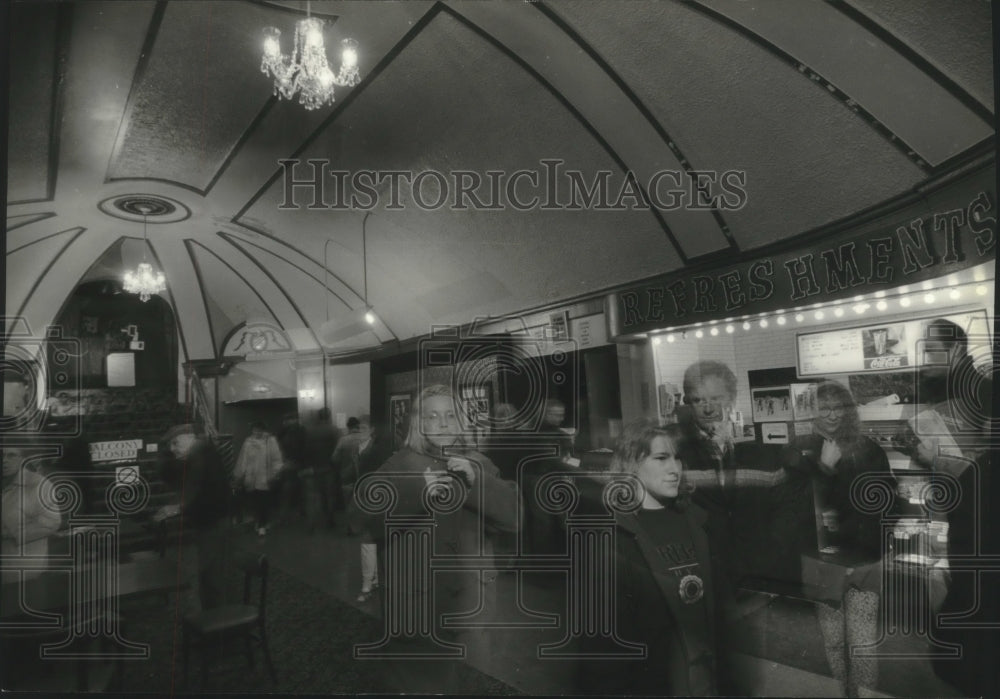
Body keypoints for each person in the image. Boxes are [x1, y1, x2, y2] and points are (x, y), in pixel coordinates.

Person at [349, 384, 521, 693]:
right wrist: (417, 493)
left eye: (450, 415)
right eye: (432, 416)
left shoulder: (478, 463)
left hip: (472, 601)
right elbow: (359, 518)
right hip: (418, 603)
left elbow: (514, 518)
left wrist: (476, 483)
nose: (442, 423)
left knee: (472, 680)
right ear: (419, 423)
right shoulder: (398, 465)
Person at [576, 419, 729, 696]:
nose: (675, 469)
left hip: (705, 681)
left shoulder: (698, 521)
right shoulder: (613, 535)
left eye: (677, 458)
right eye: (661, 458)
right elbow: (602, 648)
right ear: (632, 464)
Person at [782, 381, 894, 697]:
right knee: (831, 641)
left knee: (862, 642)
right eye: (824, 408)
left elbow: (886, 501)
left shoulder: (869, 449)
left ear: (848, 411)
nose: (832, 415)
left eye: (839, 407)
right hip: (822, 562)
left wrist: (877, 549)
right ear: (813, 412)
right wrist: (823, 468)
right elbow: (793, 511)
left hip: (863, 560)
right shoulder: (797, 449)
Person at [154, 424, 232, 615]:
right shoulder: (201, 453)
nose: (172, 449)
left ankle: (218, 622)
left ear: (190, 438)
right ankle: (215, 617)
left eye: (175, 443)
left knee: (212, 576)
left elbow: (199, 492)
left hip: (214, 523)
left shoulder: (201, 455)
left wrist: (178, 508)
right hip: (211, 522)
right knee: (209, 574)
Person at [2, 446, 62, 581]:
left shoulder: (38, 485)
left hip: (24, 574)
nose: (4, 460)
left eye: (11, 455)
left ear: (23, 459)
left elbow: (51, 524)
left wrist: (8, 533)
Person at [232, 422, 284, 536]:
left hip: (265, 477)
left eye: (259, 430)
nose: (256, 433)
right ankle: (260, 521)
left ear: (263, 430)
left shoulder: (270, 441)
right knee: (254, 501)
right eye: (254, 430)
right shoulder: (248, 442)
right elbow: (243, 459)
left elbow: (276, 459)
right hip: (251, 477)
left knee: (264, 501)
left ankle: (262, 524)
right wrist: (240, 474)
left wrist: (275, 473)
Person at [304, 408, 340, 529]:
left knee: (314, 496)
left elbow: (306, 450)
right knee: (329, 495)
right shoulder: (334, 430)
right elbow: (338, 450)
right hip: (329, 467)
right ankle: (330, 520)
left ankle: (311, 524)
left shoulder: (310, 431)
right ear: (329, 416)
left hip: (314, 468)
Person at [276, 413, 307, 522]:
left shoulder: (284, 432)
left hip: (289, 463)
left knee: (287, 490)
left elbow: (279, 445)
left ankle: (284, 515)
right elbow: (305, 447)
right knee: (302, 488)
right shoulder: (302, 430)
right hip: (300, 464)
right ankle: (302, 511)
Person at [332, 417, 367, 512]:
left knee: (348, 503)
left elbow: (335, 458)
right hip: (363, 475)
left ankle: (350, 525)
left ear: (348, 427)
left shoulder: (343, 440)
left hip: (346, 476)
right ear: (358, 426)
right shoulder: (366, 439)